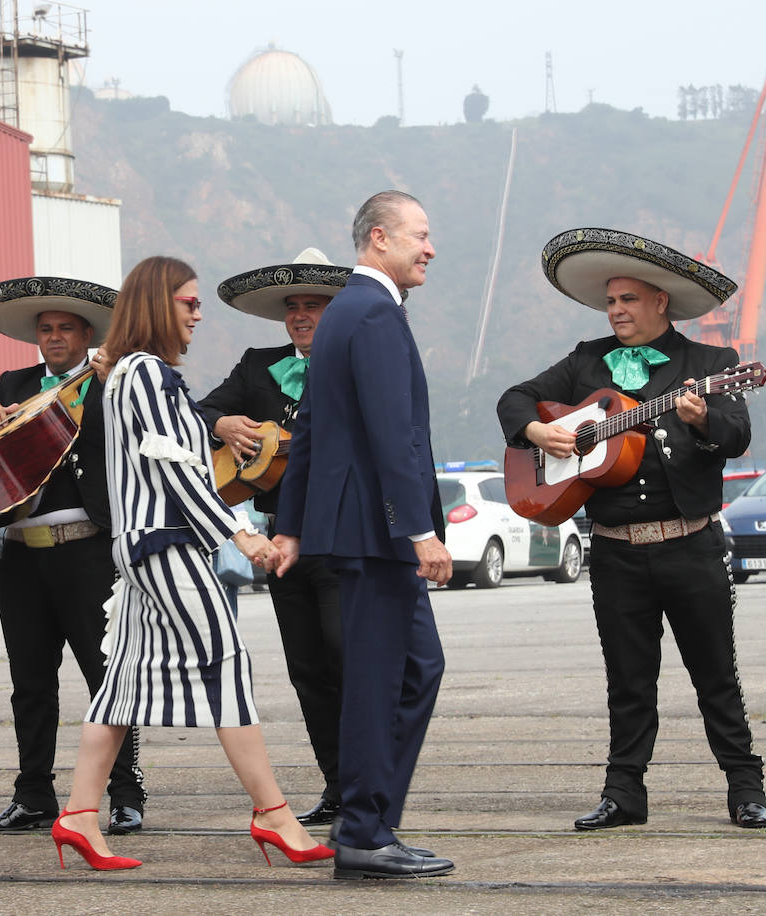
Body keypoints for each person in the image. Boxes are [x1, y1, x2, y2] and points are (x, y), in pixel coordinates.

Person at [53, 256, 332, 872]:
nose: (198, 314)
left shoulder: (128, 373)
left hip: (141, 545)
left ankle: (76, 815)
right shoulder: (147, 374)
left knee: (122, 683)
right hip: (166, 544)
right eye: (189, 303)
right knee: (226, 663)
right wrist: (240, 533)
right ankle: (274, 815)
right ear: (159, 305)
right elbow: (174, 467)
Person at [497, 227, 766, 831]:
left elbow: (738, 436)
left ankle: (744, 788)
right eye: (611, 301)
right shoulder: (584, 362)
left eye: (628, 300)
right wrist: (540, 432)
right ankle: (624, 795)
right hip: (616, 552)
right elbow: (515, 399)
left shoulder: (712, 365)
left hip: (692, 543)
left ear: (660, 302)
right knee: (626, 678)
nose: (616, 310)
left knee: (715, 672)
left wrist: (703, 421)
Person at [271, 190, 455, 879]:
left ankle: (371, 819)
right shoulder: (374, 312)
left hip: (347, 528)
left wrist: (290, 526)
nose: (429, 248)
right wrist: (419, 530)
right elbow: (392, 434)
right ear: (379, 238)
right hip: (374, 534)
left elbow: (311, 429)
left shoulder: (345, 310)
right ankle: (365, 832)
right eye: (420, 234)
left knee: (413, 671)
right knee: (384, 681)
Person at [0, 276, 146, 835]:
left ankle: (126, 792)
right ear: (36, 337)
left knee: (106, 675)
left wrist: (115, 385)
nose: (55, 336)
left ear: (87, 335)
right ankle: (33, 794)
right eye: (46, 329)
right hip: (21, 555)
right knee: (30, 681)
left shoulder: (109, 381)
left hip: (87, 551)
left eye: (66, 328)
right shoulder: (14, 382)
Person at [201, 247, 351, 824]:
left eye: (313, 305)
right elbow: (199, 407)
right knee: (307, 670)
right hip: (280, 544)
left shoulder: (358, 362)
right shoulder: (257, 365)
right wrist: (222, 422)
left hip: (343, 536)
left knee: (347, 661)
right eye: (293, 307)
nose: (300, 316)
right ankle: (336, 787)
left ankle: (366, 787)